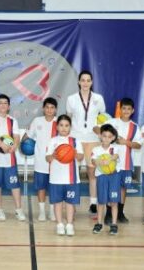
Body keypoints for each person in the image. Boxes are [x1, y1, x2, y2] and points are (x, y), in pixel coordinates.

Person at [65, 70, 106, 216]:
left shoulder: (98, 98)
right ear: (78, 82)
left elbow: (103, 118)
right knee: (74, 172)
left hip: (93, 138)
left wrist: (100, 131)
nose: (85, 83)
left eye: (88, 80)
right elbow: (68, 120)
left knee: (92, 171)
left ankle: (93, 203)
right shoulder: (71, 99)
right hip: (76, 138)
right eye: (83, 80)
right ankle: (72, 202)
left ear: (92, 82)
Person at [0, 94, 25, 221]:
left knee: (14, 185)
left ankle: (19, 210)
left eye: (5, 103)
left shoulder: (13, 120)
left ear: (9, 106)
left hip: (10, 160)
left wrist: (15, 146)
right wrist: (1, 144)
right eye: (0, 103)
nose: (3, 105)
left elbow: (17, 136)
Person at [104, 97, 141, 224]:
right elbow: (99, 131)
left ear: (133, 111)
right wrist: (111, 138)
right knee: (111, 188)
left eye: (128, 109)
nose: (126, 111)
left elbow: (138, 145)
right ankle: (108, 213)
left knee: (123, 188)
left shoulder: (135, 127)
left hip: (126, 163)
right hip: (111, 163)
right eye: (124, 108)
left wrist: (125, 142)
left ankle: (120, 213)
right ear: (120, 109)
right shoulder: (111, 122)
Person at [45, 114, 83, 236]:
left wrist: (74, 153)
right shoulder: (53, 141)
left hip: (71, 179)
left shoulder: (75, 141)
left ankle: (70, 225)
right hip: (56, 179)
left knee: (70, 203)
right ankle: (60, 224)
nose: (64, 128)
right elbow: (47, 158)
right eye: (61, 125)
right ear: (57, 127)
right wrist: (53, 156)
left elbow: (81, 157)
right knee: (57, 203)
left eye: (66, 125)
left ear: (70, 127)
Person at [23, 97, 58, 222]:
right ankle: (42, 212)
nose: (49, 110)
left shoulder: (59, 122)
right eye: (47, 107)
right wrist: (21, 144)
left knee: (54, 188)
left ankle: (53, 211)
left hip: (56, 162)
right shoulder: (37, 121)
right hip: (40, 162)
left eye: (52, 108)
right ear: (43, 108)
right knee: (41, 188)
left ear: (55, 109)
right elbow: (27, 136)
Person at [90, 124, 123, 235]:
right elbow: (93, 161)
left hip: (114, 177)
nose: (106, 139)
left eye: (109, 137)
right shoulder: (96, 149)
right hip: (102, 177)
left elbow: (116, 156)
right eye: (104, 136)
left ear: (113, 138)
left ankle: (114, 224)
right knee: (101, 201)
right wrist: (100, 161)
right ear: (100, 136)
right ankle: (99, 223)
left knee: (114, 202)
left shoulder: (115, 148)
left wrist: (109, 159)